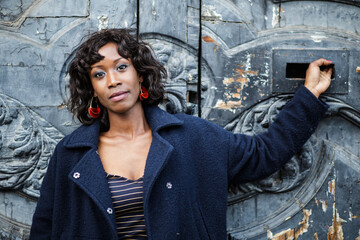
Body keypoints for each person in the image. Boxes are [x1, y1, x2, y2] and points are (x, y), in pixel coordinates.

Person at [29, 28, 332, 240]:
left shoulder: (193, 137)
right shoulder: (72, 153)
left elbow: (264, 154)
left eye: (121, 67)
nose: (112, 80)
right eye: (99, 73)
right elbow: (45, 228)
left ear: (139, 75)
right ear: (92, 90)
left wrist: (308, 95)